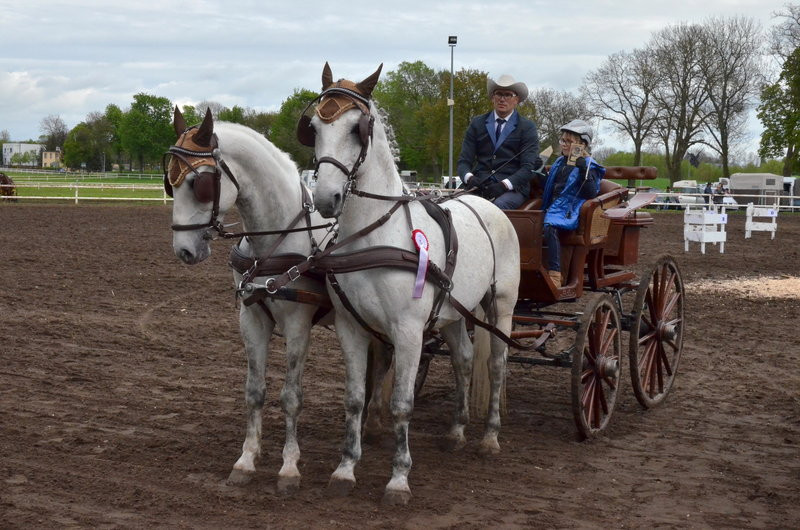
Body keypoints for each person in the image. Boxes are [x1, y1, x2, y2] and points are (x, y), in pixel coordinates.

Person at [536, 119, 604, 286]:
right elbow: (549, 187)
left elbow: (590, 193)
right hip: (553, 206)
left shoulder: (589, 165)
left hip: (571, 209)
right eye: (562, 140)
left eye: (568, 141)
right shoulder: (560, 162)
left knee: (550, 226)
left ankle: (555, 273)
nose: (564, 145)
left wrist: (583, 170)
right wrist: (539, 171)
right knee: (528, 222)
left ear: (582, 144)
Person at [457, 74, 540, 209]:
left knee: (496, 207)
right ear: (492, 98)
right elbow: (464, 161)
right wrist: (469, 178)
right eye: (498, 94)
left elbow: (528, 168)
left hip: (512, 189)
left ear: (516, 100)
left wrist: (504, 185)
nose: (502, 99)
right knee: (454, 205)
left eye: (508, 95)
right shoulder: (477, 124)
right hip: (479, 185)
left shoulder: (527, 127)